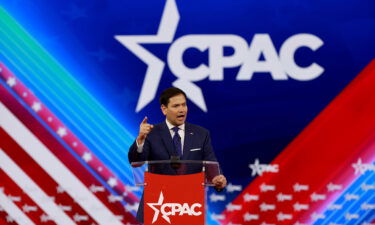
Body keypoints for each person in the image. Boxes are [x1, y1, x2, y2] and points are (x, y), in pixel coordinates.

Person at [128, 87, 227, 223]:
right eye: (176, 106)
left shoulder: (201, 134)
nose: (182, 110)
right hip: (158, 205)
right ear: (164, 109)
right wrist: (140, 139)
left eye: (184, 105)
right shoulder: (151, 133)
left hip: (188, 206)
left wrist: (218, 178)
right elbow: (136, 161)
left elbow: (211, 164)